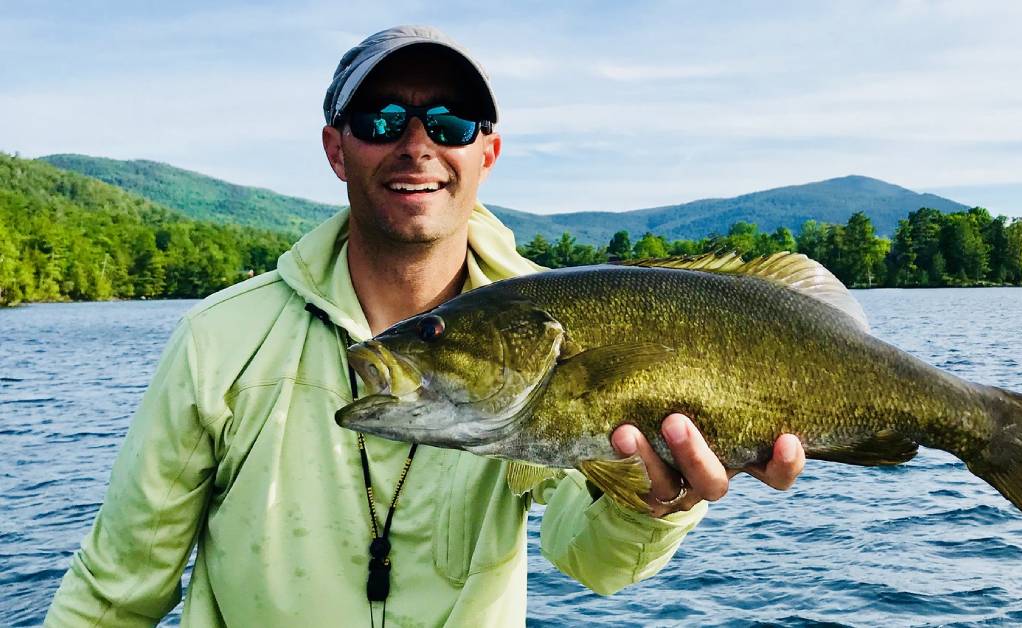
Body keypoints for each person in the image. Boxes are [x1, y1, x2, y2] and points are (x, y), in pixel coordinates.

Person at [45, 25, 805, 626]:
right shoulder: (218, 342)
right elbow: (114, 594)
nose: (417, 145)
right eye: (381, 120)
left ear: (488, 151)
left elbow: (591, 560)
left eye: (449, 121)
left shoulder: (542, 324)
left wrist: (655, 503)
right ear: (335, 150)